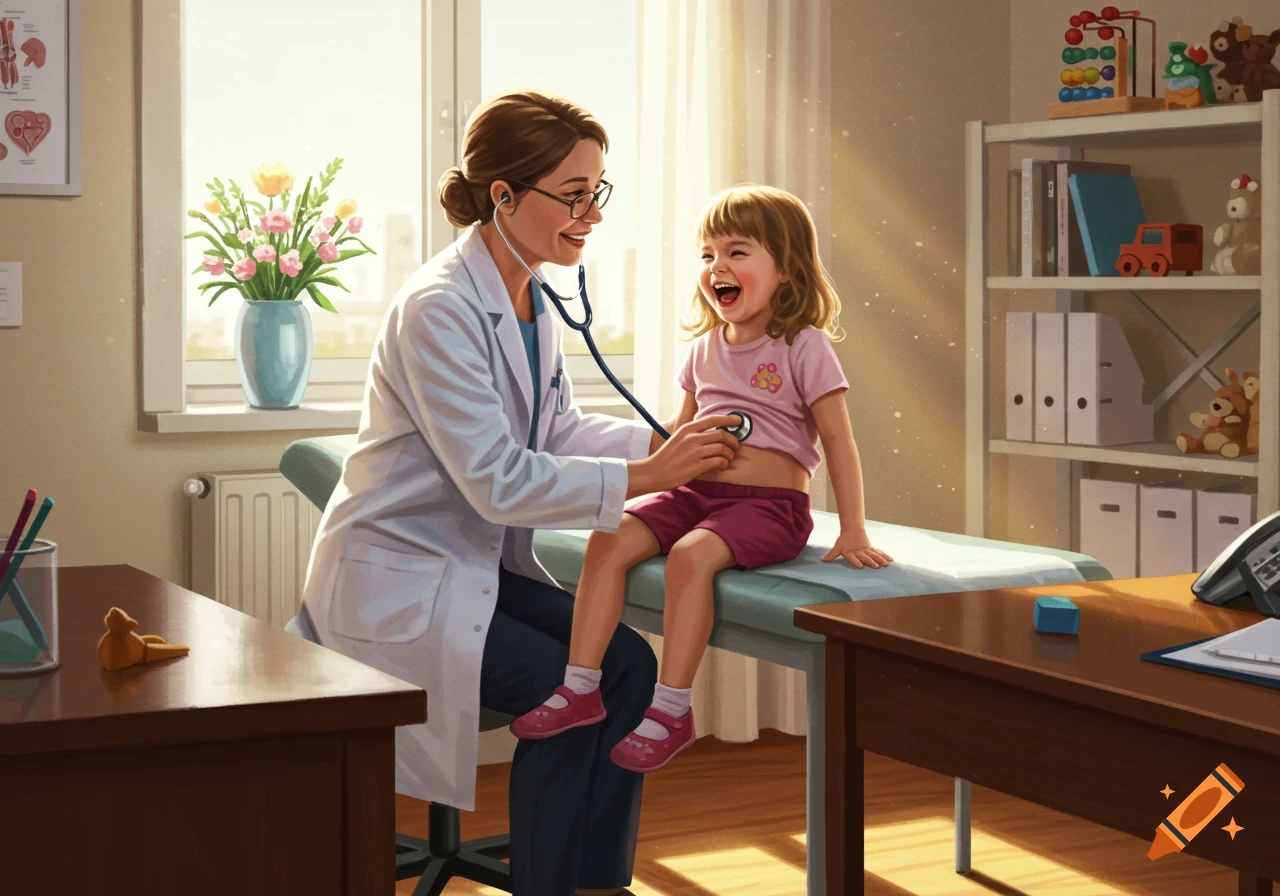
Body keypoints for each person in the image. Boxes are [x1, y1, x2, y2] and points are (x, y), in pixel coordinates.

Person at [296, 90, 742, 896]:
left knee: (629, 667)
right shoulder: (438, 308)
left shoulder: (532, 295)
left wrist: (667, 442)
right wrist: (655, 475)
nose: (591, 215)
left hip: (467, 570)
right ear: (503, 195)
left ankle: (597, 882)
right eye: (573, 195)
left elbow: (556, 427)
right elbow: (497, 479)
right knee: (565, 691)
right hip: (397, 583)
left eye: (597, 193)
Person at [510, 185, 893, 772]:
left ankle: (671, 710)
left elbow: (840, 443)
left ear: (786, 268)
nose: (718, 267)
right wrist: (609, 468)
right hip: (694, 492)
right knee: (607, 537)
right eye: (708, 254)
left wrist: (854, 529)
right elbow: (674, 435)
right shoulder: (703, 349)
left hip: (769, 507)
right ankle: (580, 687)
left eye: (737, 252)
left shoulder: (803, 345)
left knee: (691, 557)